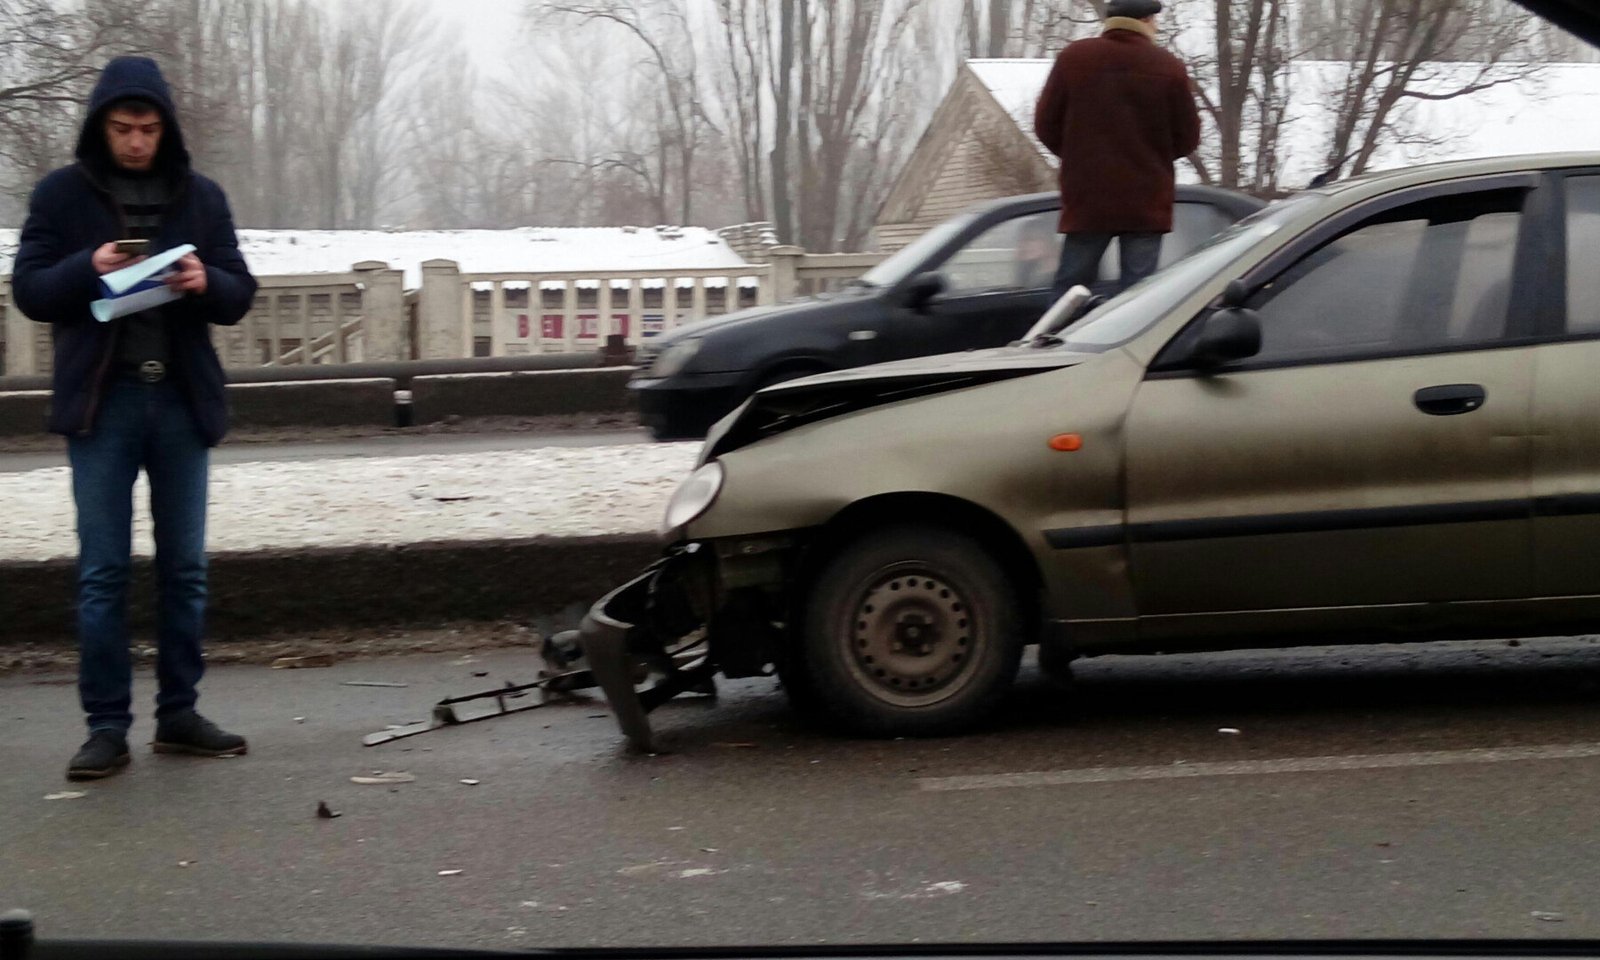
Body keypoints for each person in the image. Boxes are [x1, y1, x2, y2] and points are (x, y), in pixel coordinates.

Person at [12, 56, 258, 781]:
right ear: (100, 126)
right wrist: (88, 265)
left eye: (148, 128)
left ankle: (179, 713)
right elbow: (28, 289)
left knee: (185, 570)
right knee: (103, 572)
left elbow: (239, 292)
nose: (136, 142)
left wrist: (203, 280)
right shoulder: (61, 195)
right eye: (123, 128)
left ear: (166, 128)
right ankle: (106, 727)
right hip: (103, 404)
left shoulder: (200, 197)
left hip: (180, 400)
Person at [1033, 0, 1202, 302]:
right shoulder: (1168, 66)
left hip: (1087, 197)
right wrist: (1153, 158)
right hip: (1146, 202)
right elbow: (1188, 137)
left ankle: (1053, 342)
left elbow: (1045, 124)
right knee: (1136, 299)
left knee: (1070, 290)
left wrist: (1077, 156)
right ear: (1148, 20)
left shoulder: (1074, 58)